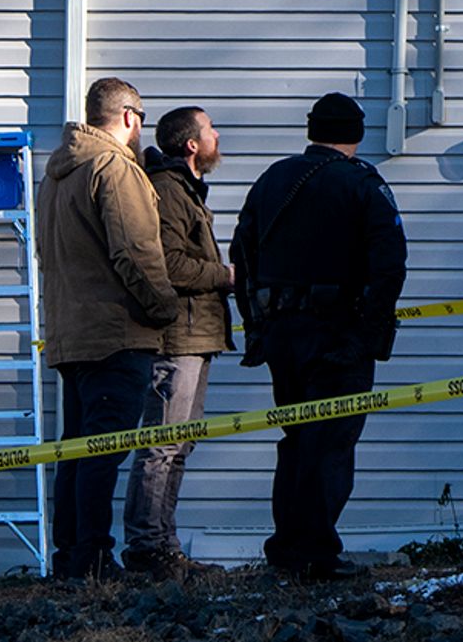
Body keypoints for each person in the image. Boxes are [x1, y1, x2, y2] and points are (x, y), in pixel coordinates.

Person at [231, 90, 409, 582]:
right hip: (336, 338)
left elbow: (241, 252)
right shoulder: (361, 184)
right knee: (329, 442)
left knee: (296, 439)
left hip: (283, 336)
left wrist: (257, 327)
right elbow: (390, 265)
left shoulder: (273, 179)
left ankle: (289, 546)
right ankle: (315, 552)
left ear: (312, 130)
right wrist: (369, 336)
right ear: (356, 134)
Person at [33, 75, 180, 580]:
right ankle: (94, 557)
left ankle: (71, 557)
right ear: (129, 117)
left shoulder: (55, 175)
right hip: (115, 333)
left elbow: (47, 253)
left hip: (69, 334)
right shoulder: (115, 169)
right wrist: (164, 310)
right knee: (103, 452)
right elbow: (135, 253)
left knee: (76, 451)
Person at [126, 103, 234, 577]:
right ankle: (147, 548)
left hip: (197, 336)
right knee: (162, 445)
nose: (216, 137)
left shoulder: (185, 190)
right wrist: (226, 275)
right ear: (192, 144)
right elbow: (169, 265)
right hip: (177, 339)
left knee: (179, 443)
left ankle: (164, 546)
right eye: (210, 130)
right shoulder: (170, 191)